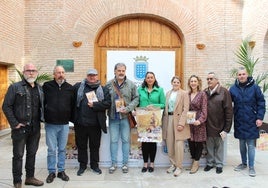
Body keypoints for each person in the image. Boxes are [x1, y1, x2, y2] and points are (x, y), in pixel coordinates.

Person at [2, 63, 44, 188]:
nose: (31, 73)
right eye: (28, 70)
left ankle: (30, 177)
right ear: (23, 72)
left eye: (33, 70)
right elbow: (6, 106)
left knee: (32, 153)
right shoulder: (15, 87)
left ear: (36, 73)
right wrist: (15, 123)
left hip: (35, 128)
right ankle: (17, 181)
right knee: (18, 155)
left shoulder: (39, 88)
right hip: (20, 128)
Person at [73, 68, 111, 176]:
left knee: (95, 146)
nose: (92, 77)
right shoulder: (78, 87)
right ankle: (82, 165)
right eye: (90, 75)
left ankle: (94, 165)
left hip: (95, 124)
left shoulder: (103, 89)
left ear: (97, 76)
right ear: (87, 76)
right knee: (81, 146)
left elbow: (108, 103)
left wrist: (95, 105)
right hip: (81, 123)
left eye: (94, 75)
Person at [229, 67, 266, 177]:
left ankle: (251, 166)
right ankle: (244, 163)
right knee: (241, 144)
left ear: (247, 75)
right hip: (239, 120)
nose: (241, 76)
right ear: (237, 76)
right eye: (239, 74)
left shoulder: (255, 88)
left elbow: (261, 103)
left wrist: (259, 117)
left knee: (250, 144)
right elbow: (227, 103)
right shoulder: (233, 89)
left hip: (251, 120)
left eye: (243, 74)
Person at [43, 65, 75, 183]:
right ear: (54, 74)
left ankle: (61, 171)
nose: (60, 74)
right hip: (51, 124)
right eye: (58, 72)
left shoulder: (70, 88)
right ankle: (51, 171)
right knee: (51, 149)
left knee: (62, 149)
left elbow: (72, 105)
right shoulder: (47, 86)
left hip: (64, 124)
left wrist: (72, 119)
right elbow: (41, 102)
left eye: (62, 72)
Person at [106, 63, 139, 174]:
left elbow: (136, 98)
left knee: (125, 141)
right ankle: (113, 164)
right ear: (114, 71)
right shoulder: (109, 84)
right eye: (119, 70)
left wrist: (129, 108)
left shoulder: (131, 84)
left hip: (125, 117)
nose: (121, 72)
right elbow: (105, 100)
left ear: (125, 71)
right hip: (113, 118)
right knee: (113, 141)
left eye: (123, 70)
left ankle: (125, 164)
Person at [204, 72, 233, 174]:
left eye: (211, 79)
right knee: (209, 146)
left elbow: (229, 111)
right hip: (208, 126)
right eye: (207, 79)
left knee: (219, 147)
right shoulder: (205, 92)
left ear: (217, 80)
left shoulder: (224, 92)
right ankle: (210, 163)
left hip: (220, 126)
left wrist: (226, 129)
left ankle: (219, 164)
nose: (209, 81)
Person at [137, 72, 165, 173]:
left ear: (154, 79)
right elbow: (137, 102)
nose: (149, 79)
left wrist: (154, 105)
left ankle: (152, 163)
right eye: (148, 77)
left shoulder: (160, 90)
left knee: (153, 142)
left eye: (151, 77)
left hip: (154, 120)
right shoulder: (140, 90)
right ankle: (145, 163)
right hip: (143, 119)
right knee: (144, 141)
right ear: (145, 79)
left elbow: (163, 104)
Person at [162, 76, 190, 177]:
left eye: (178, 82)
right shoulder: (168, 93)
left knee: (178, 144)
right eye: (174, 82)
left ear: (180, 83)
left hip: (178, 120)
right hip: (168, 119)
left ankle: (179, 166)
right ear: (171, 83)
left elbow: (185, 109)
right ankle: (172, 164)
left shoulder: (184, 93)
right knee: (170, 143)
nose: (176, 84)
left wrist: (181, 123)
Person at [187, 75, 207, 174]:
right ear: (189, 83)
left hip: (199, 122)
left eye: (195, 81)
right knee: (190, 142)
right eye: (191, 81)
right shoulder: (187, 94)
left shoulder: (202, 94)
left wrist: (200, 120)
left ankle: (196, 163)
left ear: (198, 83)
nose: (193, 83)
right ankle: (193, 161)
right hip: (189, 122)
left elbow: (204, 110)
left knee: (199, 143)